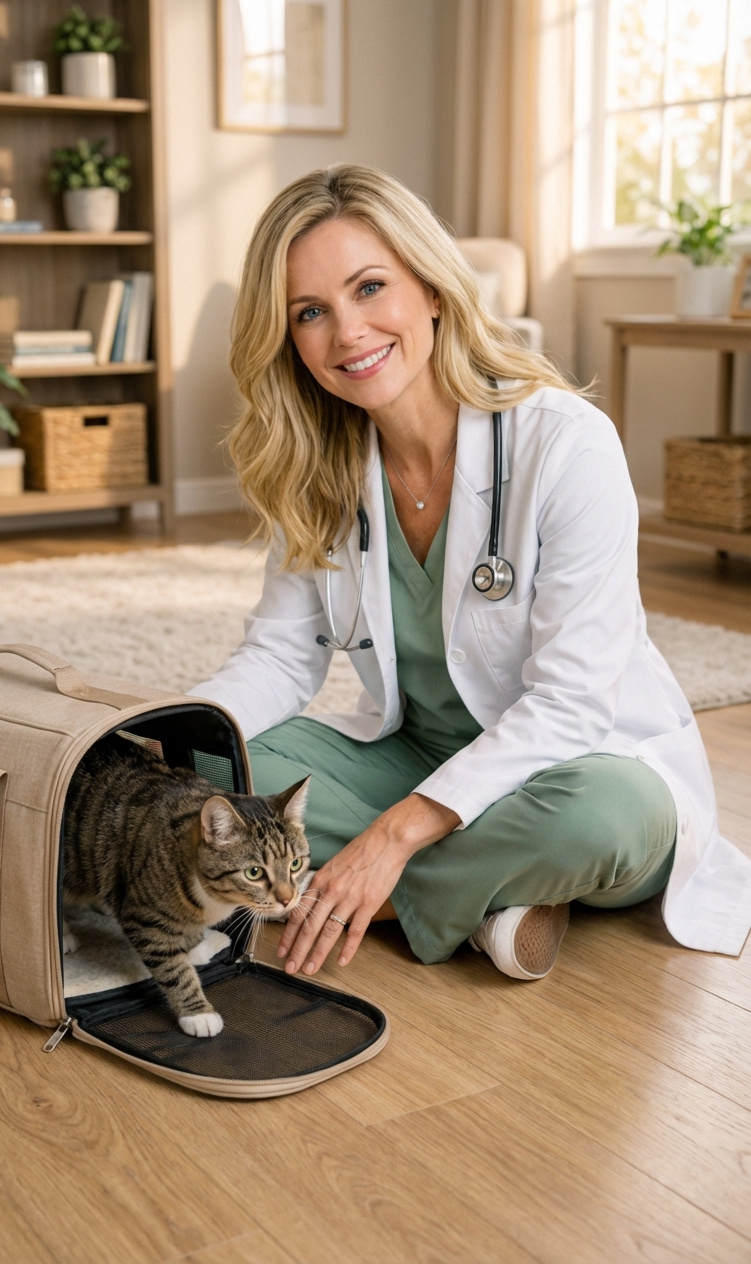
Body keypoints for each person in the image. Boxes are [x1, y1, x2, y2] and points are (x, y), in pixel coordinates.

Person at [192, 164, 751, 983]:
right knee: (215, 767)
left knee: (607, 819)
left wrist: (392, 836)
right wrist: (172, 730)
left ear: (432, 289)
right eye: (310, 312)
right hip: (420, 754)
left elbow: (571, 702)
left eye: (370, 287)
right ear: (288, 339)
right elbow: (280, 658)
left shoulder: (565, 444)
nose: (348, 333)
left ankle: (370, 898)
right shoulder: (316, 466)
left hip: (577, 763)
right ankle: (489, 898)